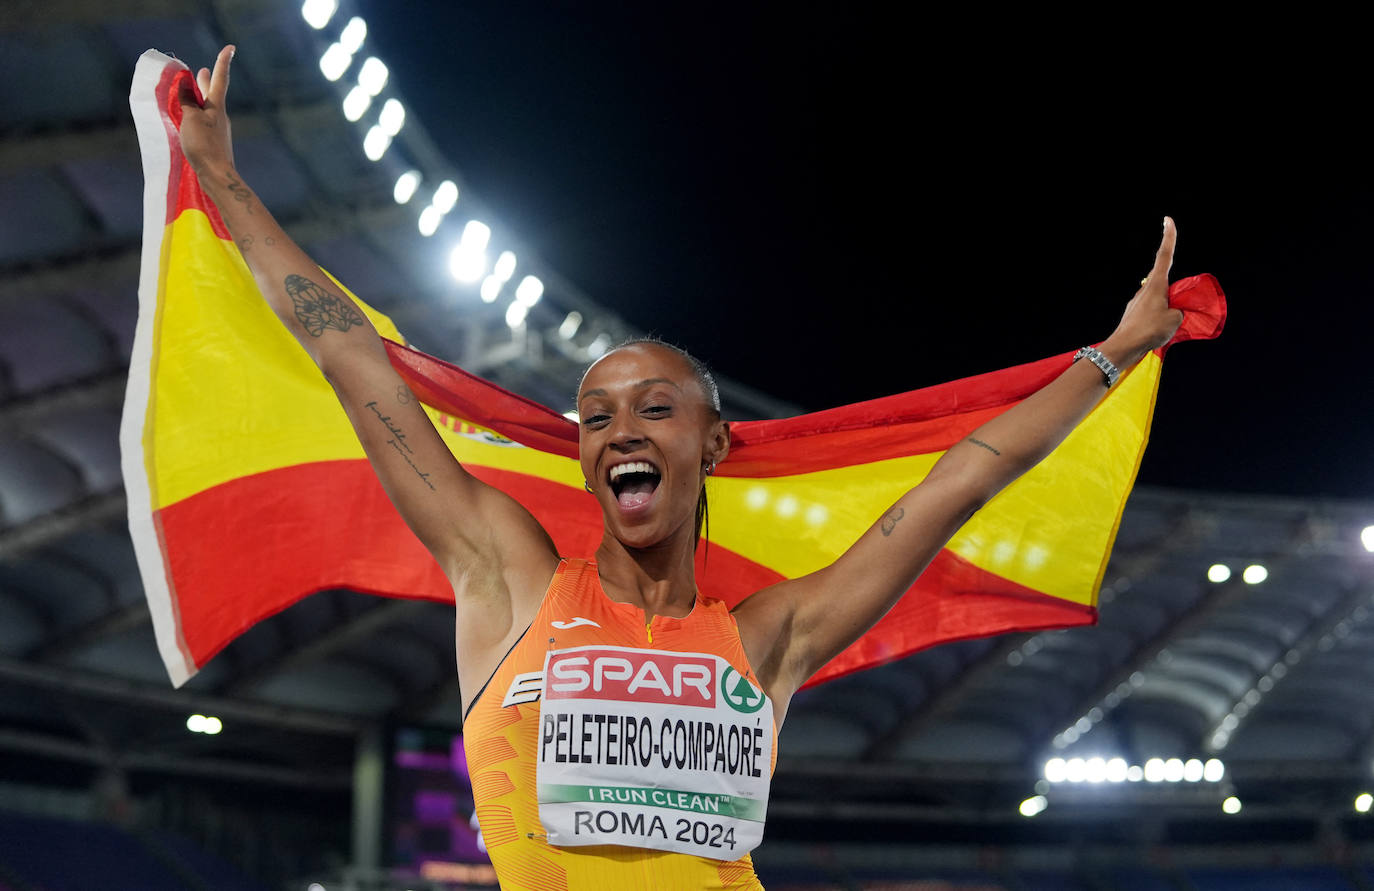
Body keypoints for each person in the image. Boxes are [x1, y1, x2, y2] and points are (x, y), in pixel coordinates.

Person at [178, 46, 1185, 890]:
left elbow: (961, 480)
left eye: (656, 409)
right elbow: (360, 364)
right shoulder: (510, 577)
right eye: (596, 417)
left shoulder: (772, 638)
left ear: (711, 443)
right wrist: (224, 181)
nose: (620, 430)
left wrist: (1114, 353)